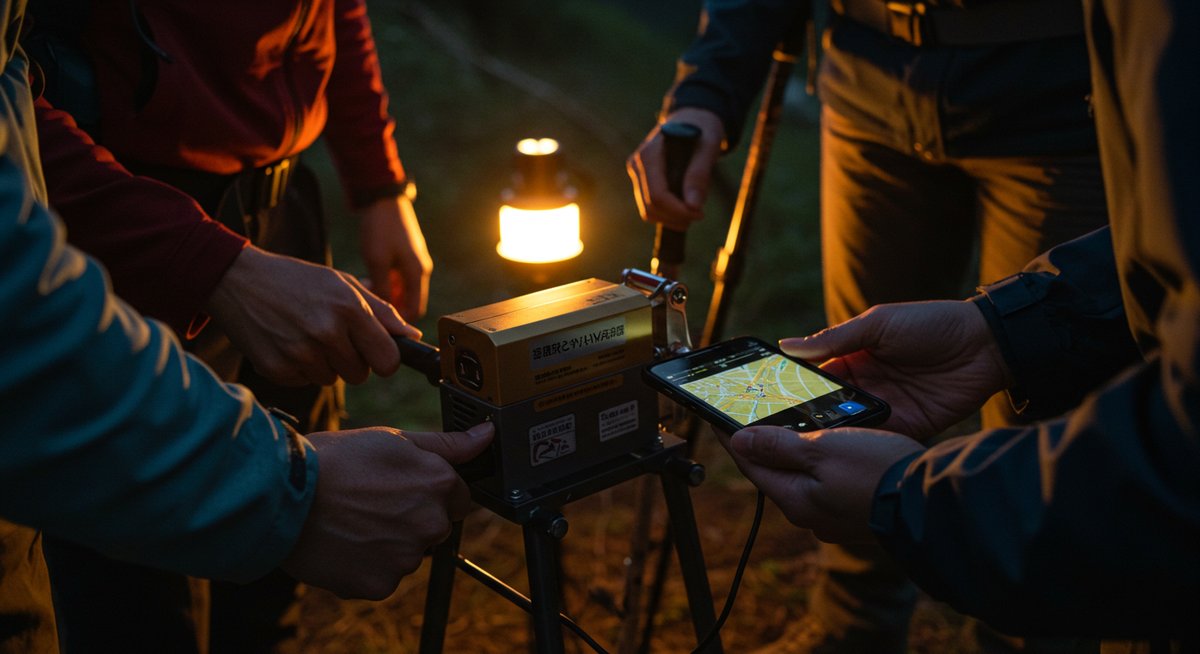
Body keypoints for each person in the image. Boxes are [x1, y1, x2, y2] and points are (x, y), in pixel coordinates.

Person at [0, 6, 493, 654]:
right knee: (146, 607)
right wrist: (208, 264)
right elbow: (18, 113)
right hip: (133, 232)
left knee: (266, 608)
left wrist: (378, 184)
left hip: (279, 217)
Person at [626, 0, 1109, 650]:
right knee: (855, 385)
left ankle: (1024, 635)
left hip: (1062, 102)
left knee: (1047, 399)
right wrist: (705, 92)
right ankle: (852, 625)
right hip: (868, 92)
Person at [721, 0, 1200, 645]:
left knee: (1044, 421)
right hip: (870, 79)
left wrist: (909, 500)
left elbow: (1184, 445)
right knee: (867, 377)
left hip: (1049, 101)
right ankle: (853, 621)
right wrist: (1004, 329)